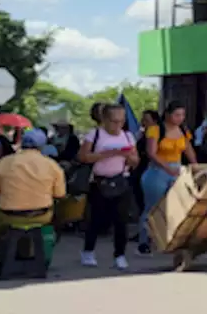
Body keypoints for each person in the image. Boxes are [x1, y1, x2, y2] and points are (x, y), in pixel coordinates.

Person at [77, 104, 139, 269]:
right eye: (113, 121)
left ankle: (119, 254)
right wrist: (109, 153)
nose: (117, 125)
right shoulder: (95, 135)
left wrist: (129, 156)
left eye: (121, 121)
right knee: (96, 219)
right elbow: (83, 157)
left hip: (121, 179)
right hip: (99, 181)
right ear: (104, 120)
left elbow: (136, 160)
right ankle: (88, 251)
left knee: (121, 221)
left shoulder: (127, 136)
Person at [0, 129, 66, 242]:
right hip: (41, 216)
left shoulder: (4, 162)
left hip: (8, 217)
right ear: (42, 146)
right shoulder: (52, 165)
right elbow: (60, 194)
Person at [138, 102, 197, 255]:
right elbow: (151, 152)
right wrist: (167, 167)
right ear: (168, 114)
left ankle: (170, 240)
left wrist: (195, 165)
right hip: (158, 171)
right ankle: (144, 241)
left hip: (177, 169)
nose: (180, 118)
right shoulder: (156, 129)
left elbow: (188, 149)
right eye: (177, 115)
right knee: (153, 206)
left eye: (182, 115)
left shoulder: (183, 130)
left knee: (177, 207)